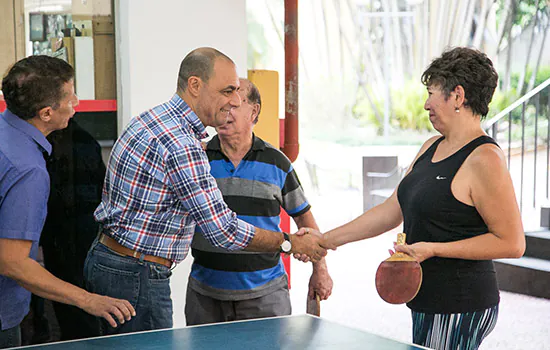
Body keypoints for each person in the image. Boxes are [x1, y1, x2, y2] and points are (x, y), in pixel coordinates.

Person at [83, 47, 327, 335]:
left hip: (120, 265)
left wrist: (318, 267)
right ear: (195, 86)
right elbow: (223, 230)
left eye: (237, 94)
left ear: (254, 112)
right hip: (141, 275)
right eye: (227, 91)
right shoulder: (185, 145)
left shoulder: (151, 120)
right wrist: (289, 243)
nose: (233, 101)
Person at [310, 47, 525, 350]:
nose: (426, 104)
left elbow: (512, 242)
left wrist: (433, 249)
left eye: (432, 93)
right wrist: (325, 240)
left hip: (460, 301)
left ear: (457, 96)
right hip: (427, 301)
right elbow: (390, 210)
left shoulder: (484, 158)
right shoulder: (430, 147)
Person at [0, 55, 135, 349]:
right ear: (46, 113)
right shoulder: (28, 170)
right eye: (70, 96)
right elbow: (12, 262)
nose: (76, 101)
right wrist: (88, 300)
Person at [185, 79, 333, 325]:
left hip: (266, 297)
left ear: (254, 111)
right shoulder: (196, 159)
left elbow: (306, 221)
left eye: (235, 104)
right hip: (205, 296)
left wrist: (321, 271)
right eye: (221, 104)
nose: (226, 111)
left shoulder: (277, 163)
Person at [39, 118, 106, 340]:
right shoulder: (86, 139)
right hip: (83, 231)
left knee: (66, 299)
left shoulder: (52, 145)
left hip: (63, 233)